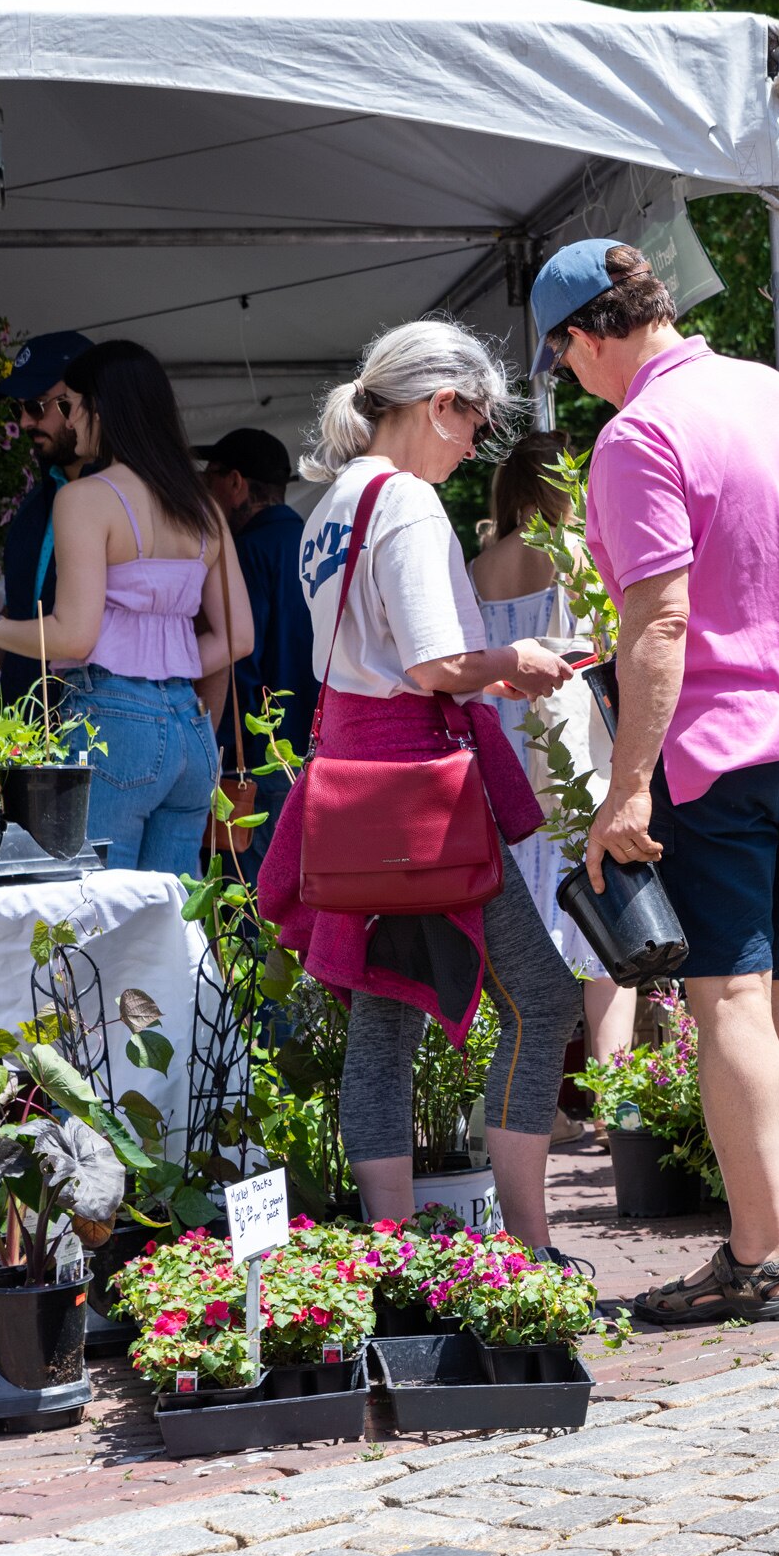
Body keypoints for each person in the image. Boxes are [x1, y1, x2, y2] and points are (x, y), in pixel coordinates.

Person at [534, 239, 779, 1324]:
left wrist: (625, 787)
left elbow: (662, 621)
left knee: (727, 993)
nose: (573, 383)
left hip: (722, 746)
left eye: (564, 361)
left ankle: (758, 1254)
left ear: (587, 336)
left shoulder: (640, 435)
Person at [255, 319, 584, 1256]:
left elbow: (375, 656)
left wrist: (490, 667)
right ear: (439, 404)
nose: (476, 446)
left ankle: (392, 1254)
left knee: (384, 1012)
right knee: (544, 999)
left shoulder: (333, 504)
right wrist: (514, 657)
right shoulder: (404, 500)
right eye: (474, 424)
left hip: (356, 788)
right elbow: (437, 663)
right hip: (420, 791)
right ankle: (527, 1246)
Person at [0, 341, 247, 872]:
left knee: (89, 921)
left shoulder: (85, 498)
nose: (68, 417)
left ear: (99, 408)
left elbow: (72, 636)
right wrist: (162, 675)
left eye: (70, 405)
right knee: (170, 924)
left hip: (110, 721)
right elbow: (238, 638)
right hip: (189, 729)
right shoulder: (202, 505)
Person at [467, 431, 635, 1069]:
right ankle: (612, 1093)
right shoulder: (578, 553)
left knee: (518, 930)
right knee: (605, 933)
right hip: (572, 755)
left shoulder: (479, 565)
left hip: (503, 762)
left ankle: (527, 1094)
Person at [200, 427, 315, 882]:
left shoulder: (245, 553)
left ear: (235, 482)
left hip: (254, 761)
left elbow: (238, 665)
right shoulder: (313, 546)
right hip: (312, 756)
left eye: (209, 477)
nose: (204, 490)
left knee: (247, 908)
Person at [0, 331, 95, 706]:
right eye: (17, 409)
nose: (24, 422)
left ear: (83, 403)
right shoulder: (33, 505)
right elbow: (19, 609)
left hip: (98, 733)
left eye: (37, 406)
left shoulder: (130, 498)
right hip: (23, 735)